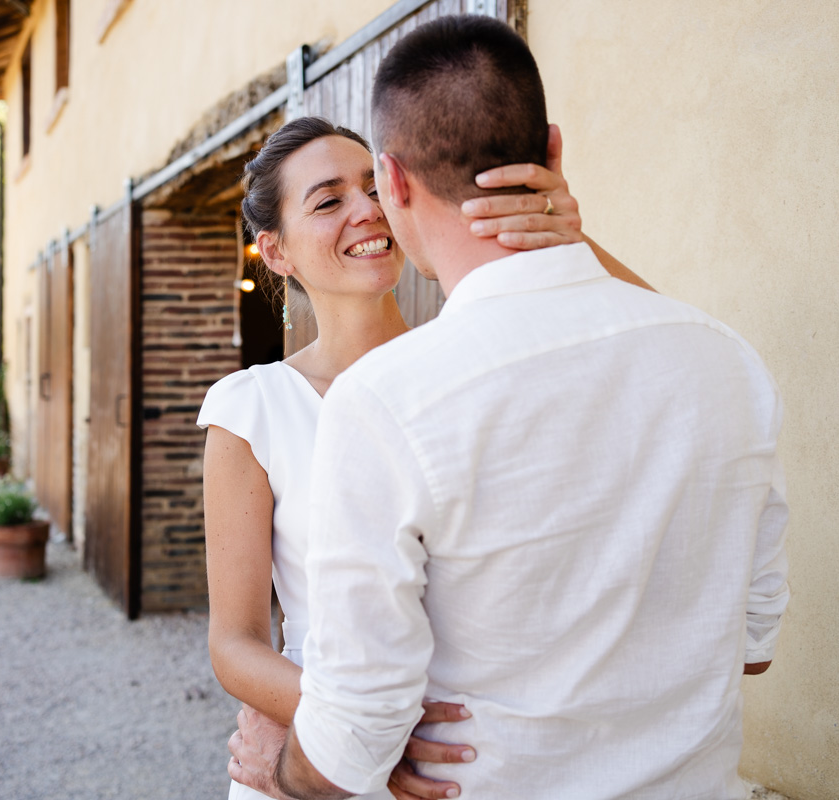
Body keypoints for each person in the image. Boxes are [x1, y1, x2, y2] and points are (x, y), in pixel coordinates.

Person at [239, 15, 790, 800]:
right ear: (554, 153)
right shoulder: (729, 361)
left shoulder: (389, 398)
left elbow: (356, 725)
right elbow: (754, 644)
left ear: (393, 183)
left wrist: (279, 772)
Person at [200, 110, 650, 798]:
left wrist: (567, 234)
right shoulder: (252, 409)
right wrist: (375, 727)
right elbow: (235, 644)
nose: (366, 209)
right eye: (328, 200)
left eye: (375, 186)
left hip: (478, 753)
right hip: (330, 749)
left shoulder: (479, 356)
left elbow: (662, 345)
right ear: (277, 251)